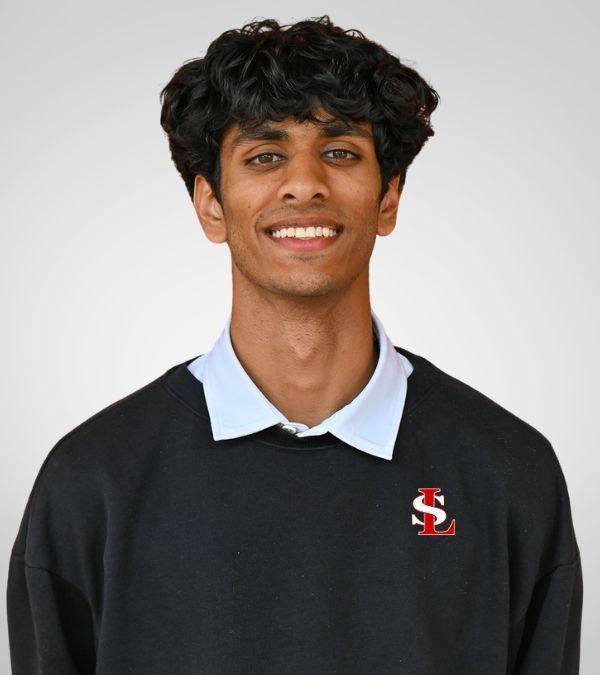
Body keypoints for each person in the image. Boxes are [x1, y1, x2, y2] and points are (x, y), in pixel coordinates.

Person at [7, 15, 582, 674]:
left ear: (389, 198)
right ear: (210, 205)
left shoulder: (508, 473)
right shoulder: (91, 483)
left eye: (339, 152)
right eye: (265, 155)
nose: (304, 183)